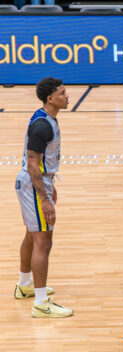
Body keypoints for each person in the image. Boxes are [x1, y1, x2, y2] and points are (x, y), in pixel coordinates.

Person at [14, 77, 71, 317]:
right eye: (62, 93)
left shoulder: (46, 118)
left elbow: (40, 164)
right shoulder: (42, 126)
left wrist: (49, 184)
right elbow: (33, 166)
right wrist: (44, 198)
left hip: (37, 180)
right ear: (50, 98)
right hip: (32, 183)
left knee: (31, 234)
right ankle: (40, 303)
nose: (67, 96)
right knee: (43, 242)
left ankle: (25, 285)